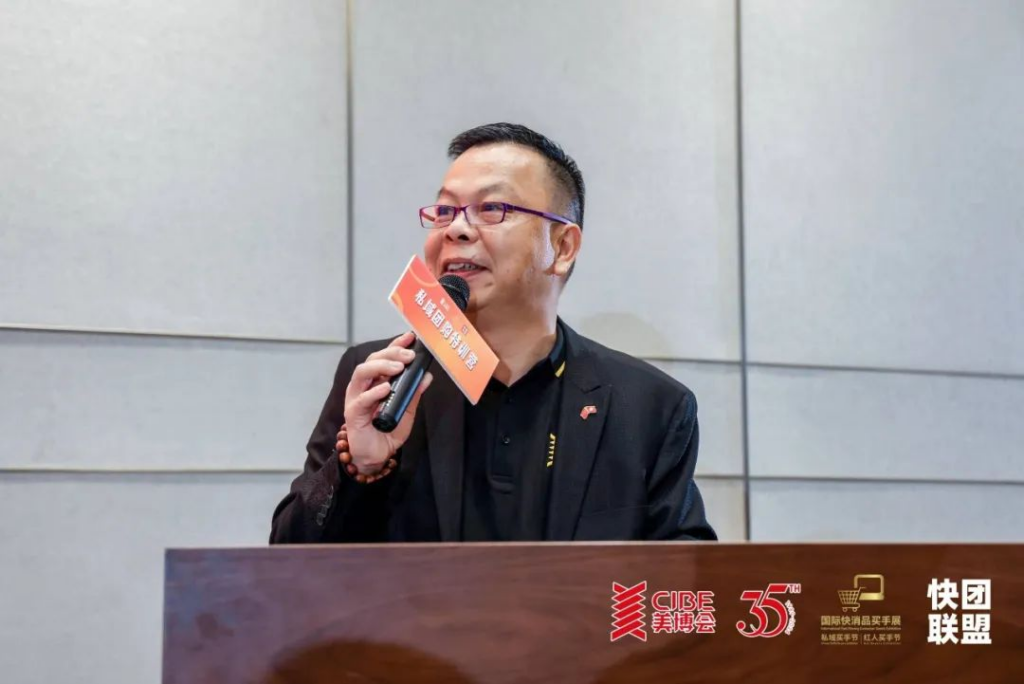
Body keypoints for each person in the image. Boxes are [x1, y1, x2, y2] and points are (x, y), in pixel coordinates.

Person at [270, 122, 716, 543]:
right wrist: (360, 466)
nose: (456, 229)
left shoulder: (649, 405)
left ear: (562, 247)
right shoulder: (384, 380)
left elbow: (687, 575)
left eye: (492, 209)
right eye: (445, 211)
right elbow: (289, 560)